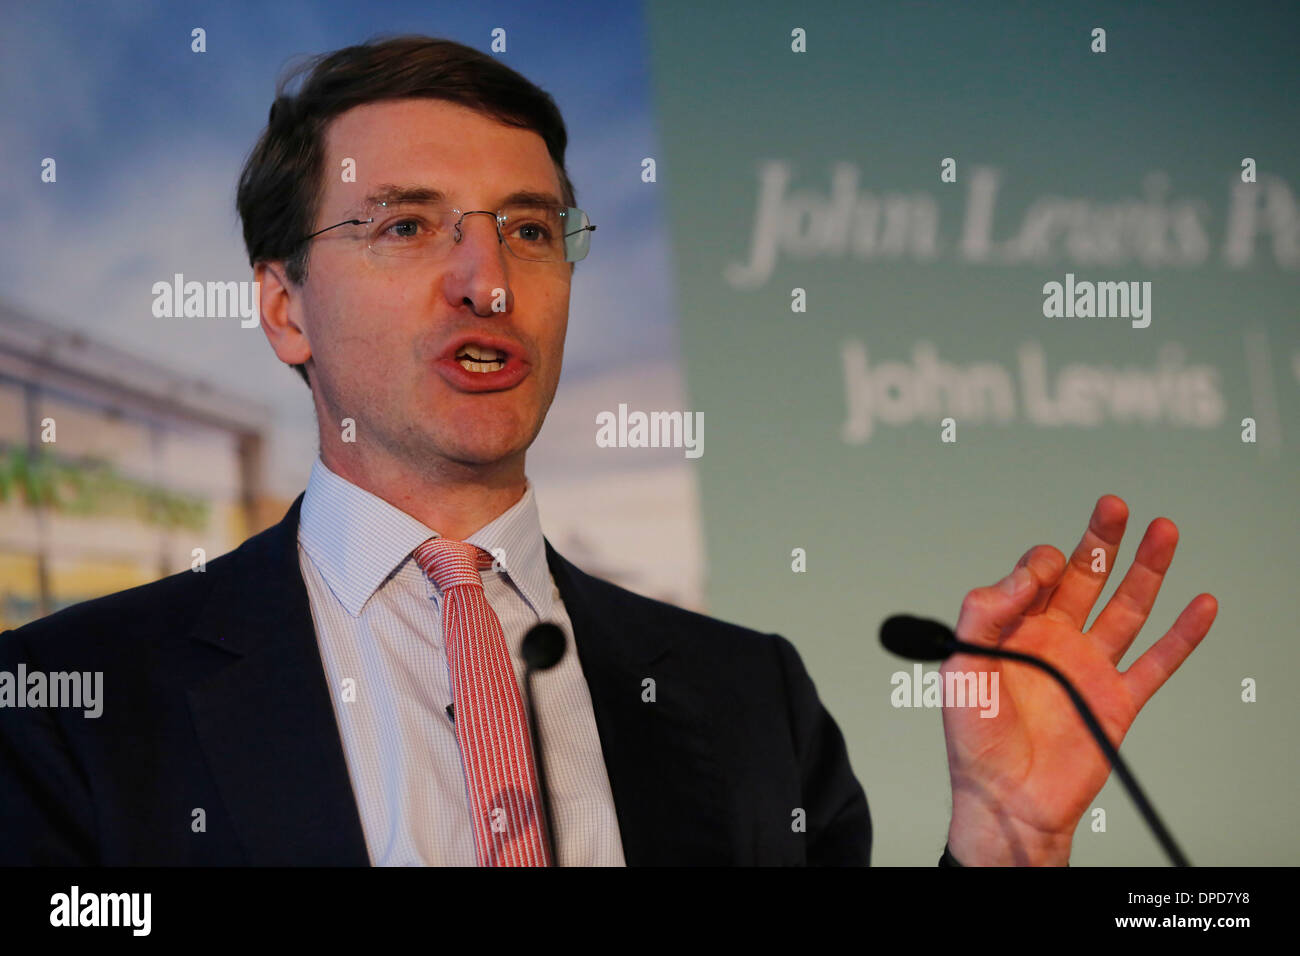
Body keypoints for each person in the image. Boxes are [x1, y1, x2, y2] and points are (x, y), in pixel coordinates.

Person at [0, 36, 1217, 866]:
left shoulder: (750, 702)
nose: (485, 279)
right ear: (283, 307)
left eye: (529, 229)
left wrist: (1000, 842)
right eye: (406, 224)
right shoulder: (71, 707)